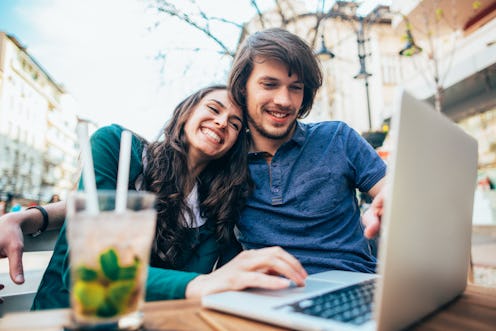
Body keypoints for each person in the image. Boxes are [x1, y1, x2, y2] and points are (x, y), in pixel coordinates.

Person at [0, 85, 306, 310]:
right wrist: (203, 284)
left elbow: (238, 272)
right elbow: (88, 271)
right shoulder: (118, 150)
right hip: (72, 320)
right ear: (187, 112)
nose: (223, 122)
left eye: (235, 124)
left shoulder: (217, 206)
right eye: (213, 109)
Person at [228, 28, 386, 275]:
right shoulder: (225, 160)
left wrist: (391, 202)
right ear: (242, 88)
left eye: (295, 87)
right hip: (270, 298)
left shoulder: (338, 138)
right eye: (269, 84)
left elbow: (392, 192)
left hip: (353, 285)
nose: (284, 100)